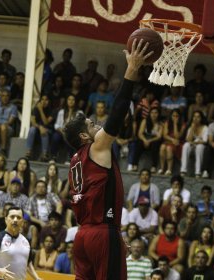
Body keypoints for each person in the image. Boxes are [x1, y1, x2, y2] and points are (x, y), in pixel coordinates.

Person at [63, 39, 153, 280]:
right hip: (102, 234)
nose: (98, 124)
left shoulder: (75, 159)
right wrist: (132, 71)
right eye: (92, 125)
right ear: (84, 136)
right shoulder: (96, 147)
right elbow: (117, 114)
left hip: (83, 236)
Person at [0, 206, 41, 280]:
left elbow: (28, 263)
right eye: (12, 217)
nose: (15, 220)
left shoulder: (26, 241)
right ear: (6, 219)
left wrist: (37, 278)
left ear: (22, 222)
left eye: (18, 217)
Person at [180, 110, 208, 178]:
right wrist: (192, 129)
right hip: (193, 146)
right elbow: (188, 139)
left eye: (198, 117)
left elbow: (205, 141)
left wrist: (194, 142)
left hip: (202, 147)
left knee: (199, 147)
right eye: (194, 117)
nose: (195, 119)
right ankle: (183, 170)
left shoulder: (205, 127)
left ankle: (197, 172)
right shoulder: (191, 127)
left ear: (201, 118)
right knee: (186, 145)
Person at [159, 109, 186, 175]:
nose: (175, 117)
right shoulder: (167, 122)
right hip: (169, 141)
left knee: (169, 148)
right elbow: (165, 135)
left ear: (179, 117)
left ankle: (169, 169)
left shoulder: (183, 124)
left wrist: (175, 124)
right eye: (173, 116)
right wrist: (172, 140)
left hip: (178, 142)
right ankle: (162, 168)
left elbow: (177, 136)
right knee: (162, 147)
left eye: (177, 116)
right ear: (171, 116)